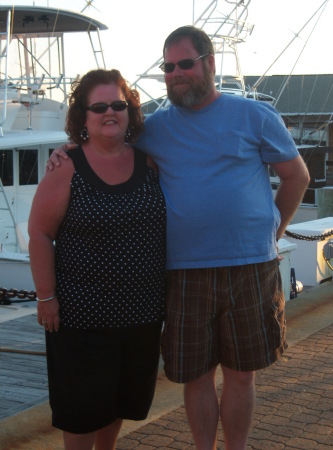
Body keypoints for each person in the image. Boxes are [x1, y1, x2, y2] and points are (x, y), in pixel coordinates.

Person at [47, 26, 310, 450]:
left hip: (250, 268)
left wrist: (272, 231)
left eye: (184, 64)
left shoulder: (256, 116)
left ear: (209, 63)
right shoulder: (153, 127)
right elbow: (104, 133)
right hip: (183, 272)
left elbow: (296, 176)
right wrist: (67, 147)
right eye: (168, 67)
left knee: (243, 374)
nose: (175, 74)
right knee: (195, 375)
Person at [28, 69, 166, 450]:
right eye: (100, 106)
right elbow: (39, 233)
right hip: (81, 317)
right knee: (81, 410)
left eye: (119, 105)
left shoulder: (149, 164)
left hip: (141, 317)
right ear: (83, 116)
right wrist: (45, 296)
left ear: (130, 111)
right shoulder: (67, 167)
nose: (110, 112)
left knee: (121, 402)